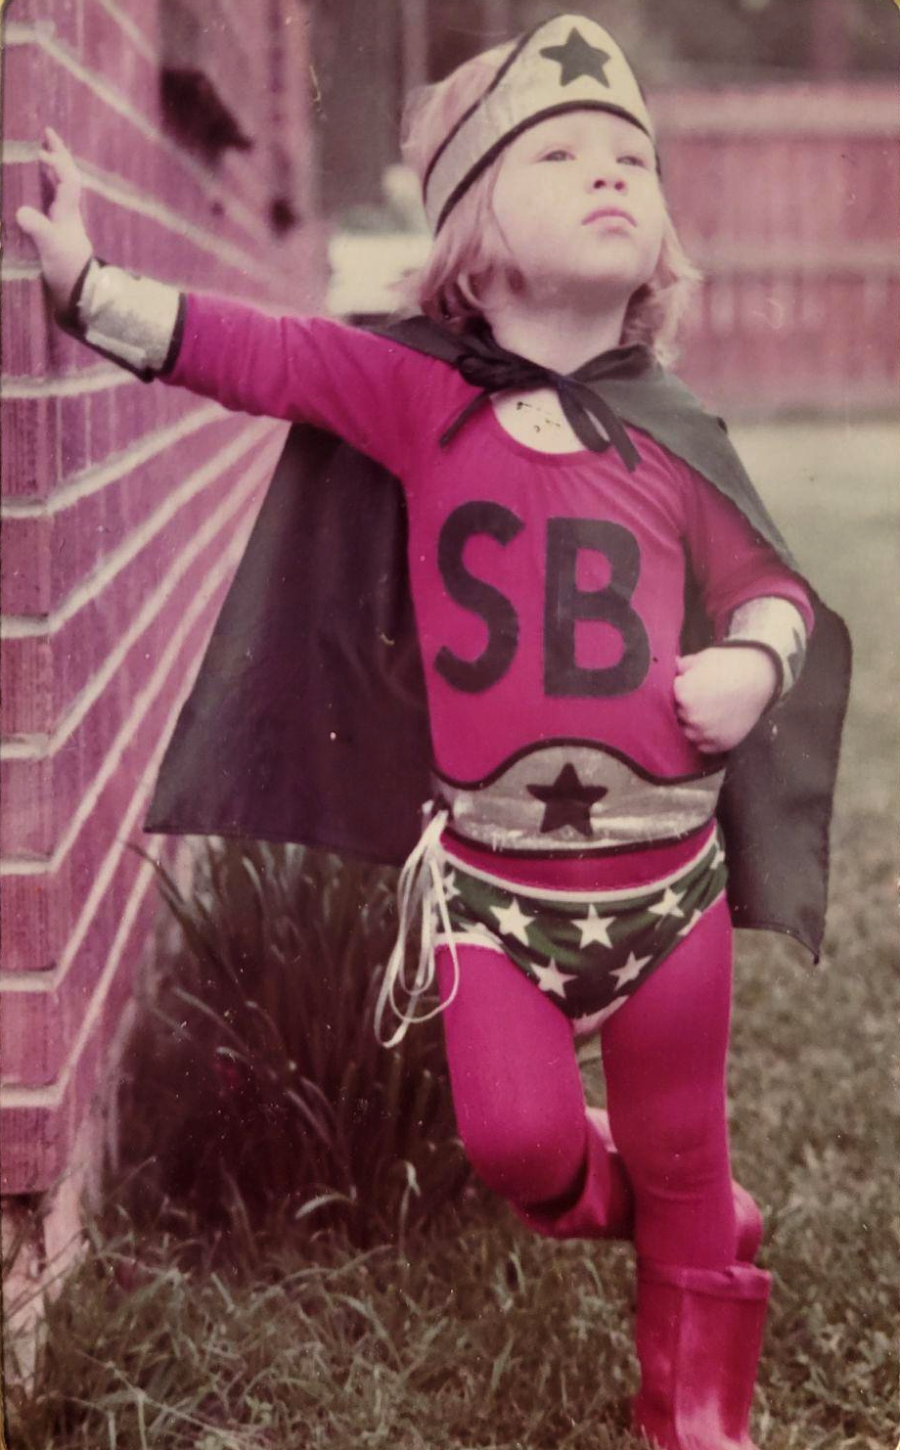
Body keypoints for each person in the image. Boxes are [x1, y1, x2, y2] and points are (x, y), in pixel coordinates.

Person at [17, 16, 850, 1448]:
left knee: (684, 1134)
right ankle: (651, 1208)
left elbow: (775, 585)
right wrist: (93, 291)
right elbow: (265, 354)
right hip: (493, 893)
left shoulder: (676, 426)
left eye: (630, 163)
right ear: (473, 229)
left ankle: (694, 1412)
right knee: (518, 1145)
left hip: (667, 894)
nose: (610, 176)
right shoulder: (416, 394)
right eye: (565, 152)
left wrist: (757, 661)